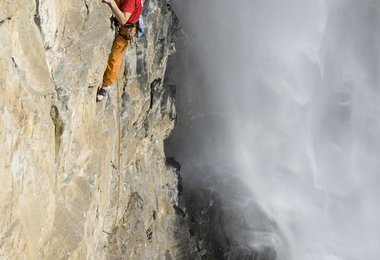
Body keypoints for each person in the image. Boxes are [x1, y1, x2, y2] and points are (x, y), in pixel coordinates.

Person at [97, 0, 144, 102]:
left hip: (126, 30)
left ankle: (106, 85)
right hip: (128, 26)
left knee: (115, 58)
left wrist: (112, 4)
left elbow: (123, 20)